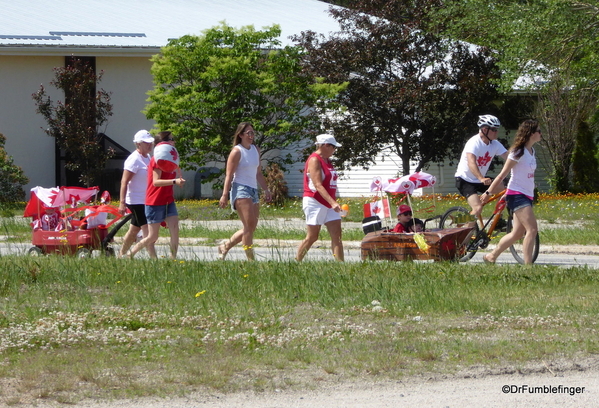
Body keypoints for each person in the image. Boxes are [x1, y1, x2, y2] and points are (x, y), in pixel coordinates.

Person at [480, 119, 542, 265]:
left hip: (527, 194)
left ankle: (491, 256)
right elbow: (502, 174)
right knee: (532, 230)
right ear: (531, 133)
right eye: (539, 131)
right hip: (517, 194)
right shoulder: (517, 152)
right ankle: (528, 266)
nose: (541, 134)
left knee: (517, 233)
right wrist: (488, 193)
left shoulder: (532, 151)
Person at [127, 131, 185, 259]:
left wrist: (179, 179)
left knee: (175, 229)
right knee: (153, 236)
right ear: (164, 142)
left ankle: (172, 258)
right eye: (172, 139)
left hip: (168, 200)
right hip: (154, 202)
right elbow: (156, 182)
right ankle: (130, 254)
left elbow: (175, 172)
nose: (174, 141)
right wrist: (174, 181)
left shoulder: (170, 159)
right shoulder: (157, 160)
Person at [218, 122, 271, 260]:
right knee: (248, 225)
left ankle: (226, 246)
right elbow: (229, 175)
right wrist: (224, 195)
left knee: (251, 227)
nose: (251, 136)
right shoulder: (237, 151)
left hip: (253, 189)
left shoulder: (255, 149)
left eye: (253, 133)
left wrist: (266, 189)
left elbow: (258, 173)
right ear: (240, 135)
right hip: (240, 188)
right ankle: (251, 260)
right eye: (248, 133)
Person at [296, 134, 344, 262]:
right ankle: (296, 261)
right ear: (325, 145)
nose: (334, 151)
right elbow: (317, 184)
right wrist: (332, 202)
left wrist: (332, 202)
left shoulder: (328, 160)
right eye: (333, 147)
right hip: (314, 201)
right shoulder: (314, 160)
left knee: (337, 236)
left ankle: (341, 266)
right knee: (312, 236)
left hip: (329, 203)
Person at [455, 115, 508, 217]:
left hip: (480, 180)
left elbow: (509, 158)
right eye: (494, 129)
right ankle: (465, 231)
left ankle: (497, 219)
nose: (496, 132)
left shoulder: (495, 144)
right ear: (484, 129)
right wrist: (481, 178)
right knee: (477, 208)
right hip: (465, 180)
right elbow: (471, 162)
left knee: (505, 189)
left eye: (497, 129)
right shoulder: (474, 142)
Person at [118, 130, 156, 258]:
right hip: (136, 200)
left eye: (151, 143)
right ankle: (154, 259)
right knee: (148, 231)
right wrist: (122, 203)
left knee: (134, 229)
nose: (150, 146)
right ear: (138, 144)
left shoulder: (147, 158)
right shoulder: (133, 159)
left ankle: (121, 255)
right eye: (146, 143)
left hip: (146, 199)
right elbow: (124, 182)